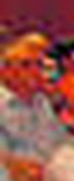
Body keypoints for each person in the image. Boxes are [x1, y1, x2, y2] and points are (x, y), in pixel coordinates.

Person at [0, 31, 66, 161]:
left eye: (39, 65)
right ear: (5, 71)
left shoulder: (43, 101)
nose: (35, 71)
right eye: (26, 65)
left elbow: (61, 143)